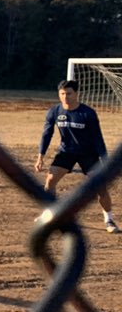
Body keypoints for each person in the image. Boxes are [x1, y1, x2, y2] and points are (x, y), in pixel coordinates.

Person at [35, 79, 119, 234]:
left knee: (100, 187)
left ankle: (109, 219)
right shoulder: (54, 111)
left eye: (68, 93)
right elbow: (47, 134)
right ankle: (50, 214)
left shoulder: (87, 113)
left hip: (88, 154)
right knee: (50, 179)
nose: (65, 97)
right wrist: (41, 156)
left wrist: (105, 160)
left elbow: (97, 138)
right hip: (66, 152)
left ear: (76, 94)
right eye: (62, 94)